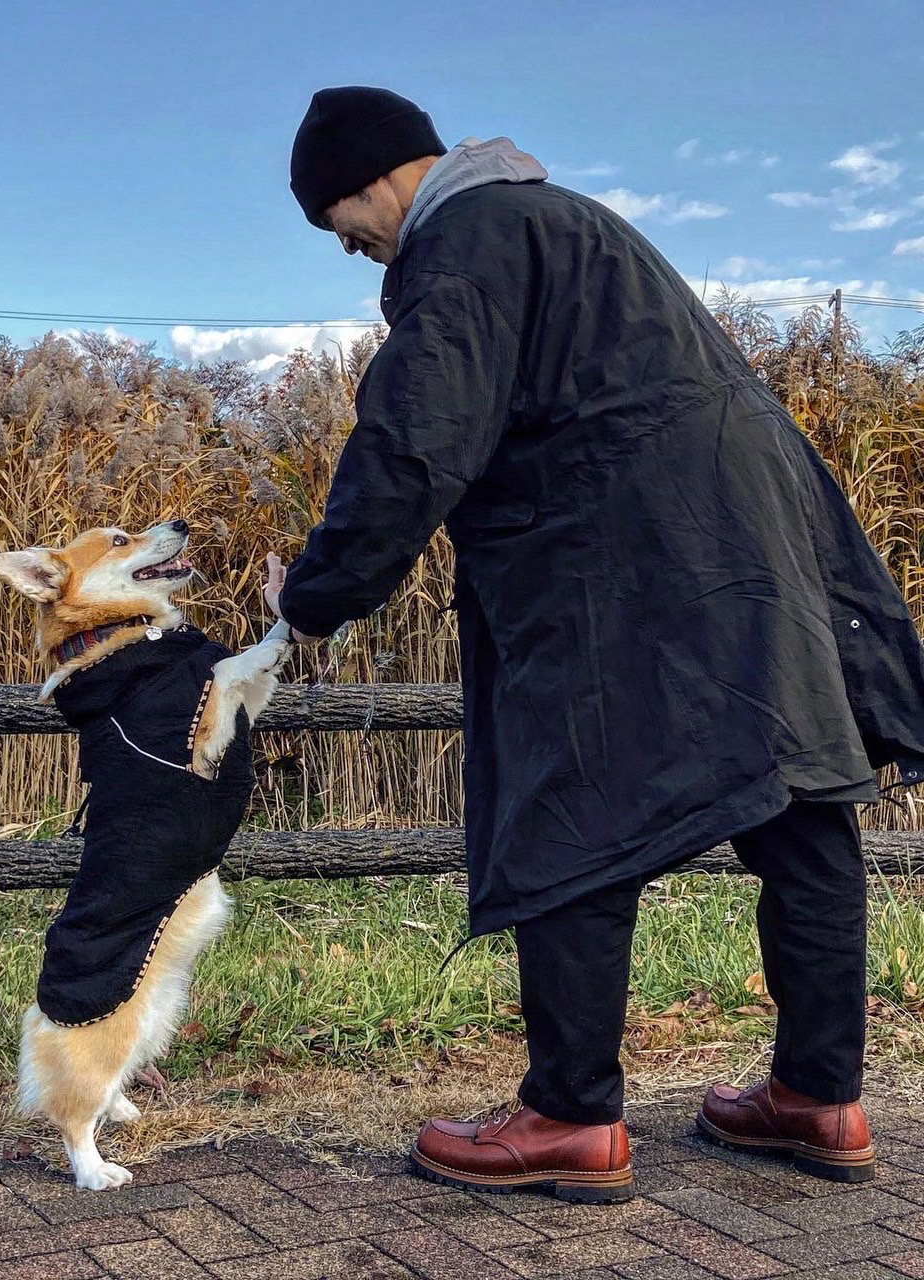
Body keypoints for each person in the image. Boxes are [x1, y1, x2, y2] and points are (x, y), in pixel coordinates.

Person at [265, 85, 924, 1203]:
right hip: (756, 545)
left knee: (570, 799)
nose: (356, 251)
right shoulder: (572, 222)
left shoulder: (465, 241)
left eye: (343, 229)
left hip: (619, 556)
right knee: (803, 793)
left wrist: (314, 597)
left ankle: (569, 1114)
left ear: (369, 178)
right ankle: (820, 1094)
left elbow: (417, 442)